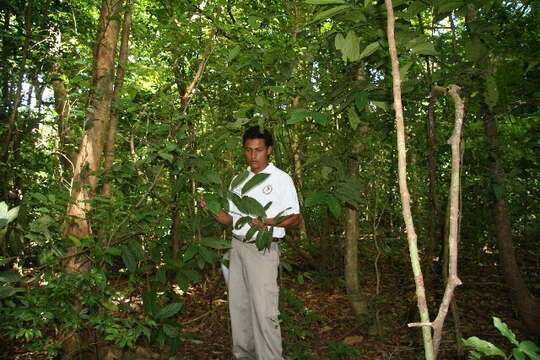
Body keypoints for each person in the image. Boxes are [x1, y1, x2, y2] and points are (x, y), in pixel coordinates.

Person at [201, 126, 300, 360]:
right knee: (239, 307)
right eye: (248, 150)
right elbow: (231, 219)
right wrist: (212, 209)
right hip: (237, 248)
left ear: (269, 151)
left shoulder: (280, 179)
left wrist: (264, 221)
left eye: (258, 150)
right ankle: (244, 355)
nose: (253, 156)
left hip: (262, 250)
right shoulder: (239, 179)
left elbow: (294, 217)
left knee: (265, 311)